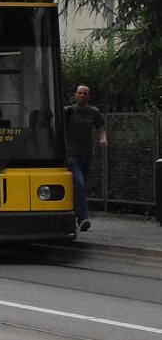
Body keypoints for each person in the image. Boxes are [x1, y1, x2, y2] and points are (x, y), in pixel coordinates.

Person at [65, 84, 107, 231]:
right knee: (80, 186)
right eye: (80, 93)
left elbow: (100, 127)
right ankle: (82, 218)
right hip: (71, 156)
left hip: (87, 155)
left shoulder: (93, 112)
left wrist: (103, 138)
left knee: (81, 188)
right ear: (75, 95)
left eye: (85, 93)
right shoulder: (68, 111)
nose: (82, 96)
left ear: (88, 96)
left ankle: (73, 216)